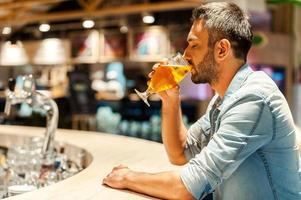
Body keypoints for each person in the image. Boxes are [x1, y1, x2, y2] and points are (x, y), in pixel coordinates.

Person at [103, 2, 301, 200]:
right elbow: (180, 153)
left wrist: (128, 177)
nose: (186, 54)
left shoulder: (253, 99)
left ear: (222, 50)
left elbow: (187, 188)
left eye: (194, 45)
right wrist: (170, 99)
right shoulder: (222, 99)